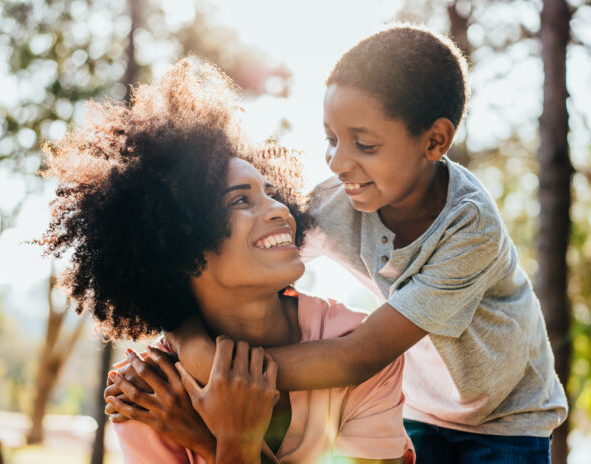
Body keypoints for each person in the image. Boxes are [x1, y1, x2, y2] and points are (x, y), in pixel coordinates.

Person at [166, 24, 568, 463]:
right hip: (420, 409)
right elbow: (232, 265)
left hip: (506, 421)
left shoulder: (470, 229)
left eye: (364, 143)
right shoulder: (335, 203)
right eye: (332, 139)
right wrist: (185, 335)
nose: (338, 162)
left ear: (435, 141)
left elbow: (360, 355)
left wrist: (225, 372)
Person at [40, 57, 413, 463]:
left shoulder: (353, 344)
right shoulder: (151, 394)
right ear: (179, 242)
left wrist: (214, 440)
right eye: (240, 200)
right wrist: (233, 440)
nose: (279, 209)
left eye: (271, 192)